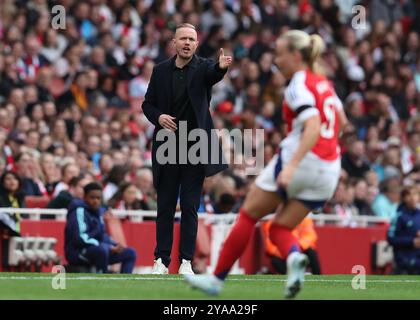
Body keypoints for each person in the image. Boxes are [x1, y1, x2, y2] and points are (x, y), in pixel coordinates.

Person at [185, 30, 347, 298]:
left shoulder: (299, 83)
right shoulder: (324, 84)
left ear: (296, 55)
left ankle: (216, 280)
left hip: (302, 161)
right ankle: (295, 258)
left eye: (280, 54)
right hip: (329, 170)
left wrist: (293, 165)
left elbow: (313, 125)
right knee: (281, 227)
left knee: (248, 215)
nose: (276, 61)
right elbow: (341, 123)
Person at [141, 23, 232, 275]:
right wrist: (158, 118)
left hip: (195, 145)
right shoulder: (160, 71)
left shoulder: (204, 67)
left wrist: (221, 68)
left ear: (196, 43)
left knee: (190, 207)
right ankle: (161, 260)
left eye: (192, 39)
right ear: (174, 42)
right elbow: (147, 104)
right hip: (168, 145)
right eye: (183, 39)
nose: (187, 43)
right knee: (166, 206)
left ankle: (186, 262)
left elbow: (213, 73)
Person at [64, 182, 137, 273]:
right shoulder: (79, 211)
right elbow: (80, 238)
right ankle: (102, 279)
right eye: (92, 197)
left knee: (130, 253)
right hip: (77, 252)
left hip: (98, 249)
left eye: (98, 198)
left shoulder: (98, 212)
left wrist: (114, 244)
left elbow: (101, 234)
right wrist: (108, 247)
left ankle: (125, 284)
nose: (96, 201)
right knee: (101, 250)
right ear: (85, 197)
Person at [388, 186, 420, 274]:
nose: (413, 197)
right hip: (404, 259)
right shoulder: (399, 216)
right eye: (409, 194)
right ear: (404, 198)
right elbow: (391, 239)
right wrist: (412, 241)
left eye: (415, 194)